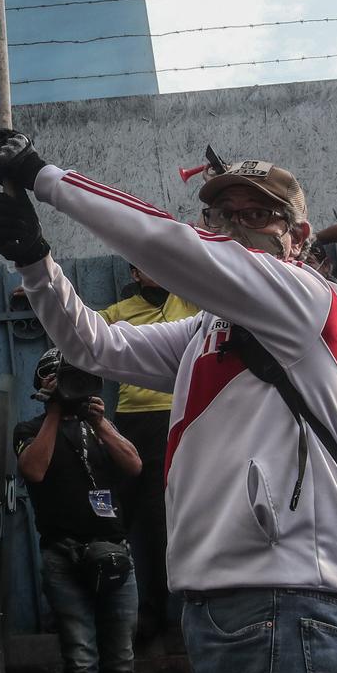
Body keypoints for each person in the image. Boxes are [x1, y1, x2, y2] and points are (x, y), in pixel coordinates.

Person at [0, 132, 337, 673]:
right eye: (222, 213)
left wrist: (42, 176)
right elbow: (95, 345)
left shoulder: (306, 298)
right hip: (224, 599)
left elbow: (176, 248)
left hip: (279, 590)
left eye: (259, 213)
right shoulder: (206, 335)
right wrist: (36, 263)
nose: (233, 225)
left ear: (299, 235)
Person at [13, 348, 173, 673]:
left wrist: (99, 422)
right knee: (82, 663)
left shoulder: (101, 429)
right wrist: (54, 414)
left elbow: (136, 465)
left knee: (120, 664)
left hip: (115, 557)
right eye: (61, 382)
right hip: (64, 558)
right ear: (43, 386)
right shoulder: (30, 431)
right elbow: (34, 470)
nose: (71, 389)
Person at [96, 267, 197, 645]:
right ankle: (136, 613)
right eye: (142, 264)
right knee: (125, 515)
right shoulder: (122, 310)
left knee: (162, 518)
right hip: (132, 421)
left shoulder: (188, 301)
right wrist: (39, 293)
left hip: (175, 417)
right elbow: (82, 330)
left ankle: (166, 615)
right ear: (136, 274)